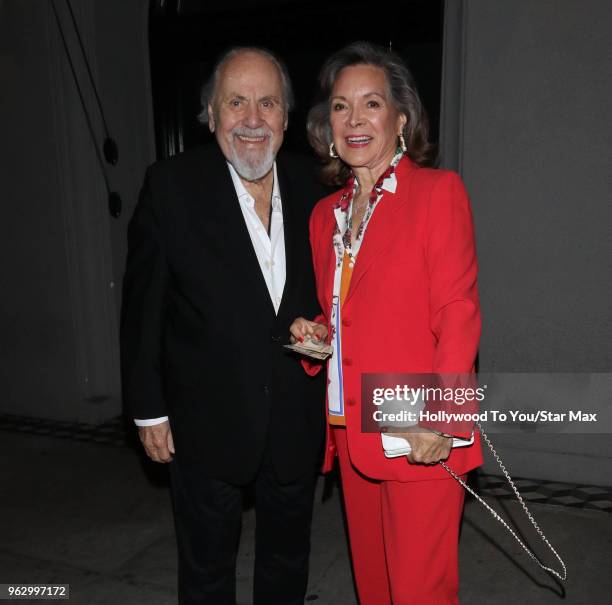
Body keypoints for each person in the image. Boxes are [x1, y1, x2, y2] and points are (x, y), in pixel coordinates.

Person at [120, 47, 326, 605]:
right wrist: (148, 409)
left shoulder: (320, 189)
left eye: (267, 103)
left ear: (287, 116)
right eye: (236, 102)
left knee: (288, 561)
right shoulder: (170, 186)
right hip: (203, 423)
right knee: (207, 569)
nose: (253, 119)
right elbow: (143, 308)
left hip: (294, 416)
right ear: (211, 115)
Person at [291, 41, 483, 604]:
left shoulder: (435, 194)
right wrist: (318, 335)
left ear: (400, 118)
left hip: (415, 424)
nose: (354, 119)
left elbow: (459, 311)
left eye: (371, 104)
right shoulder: (325, 214)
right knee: (373, 587)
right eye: (341, 106)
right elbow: (344, 311)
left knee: (420, 590)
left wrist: (443, 418)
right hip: (352, 425)